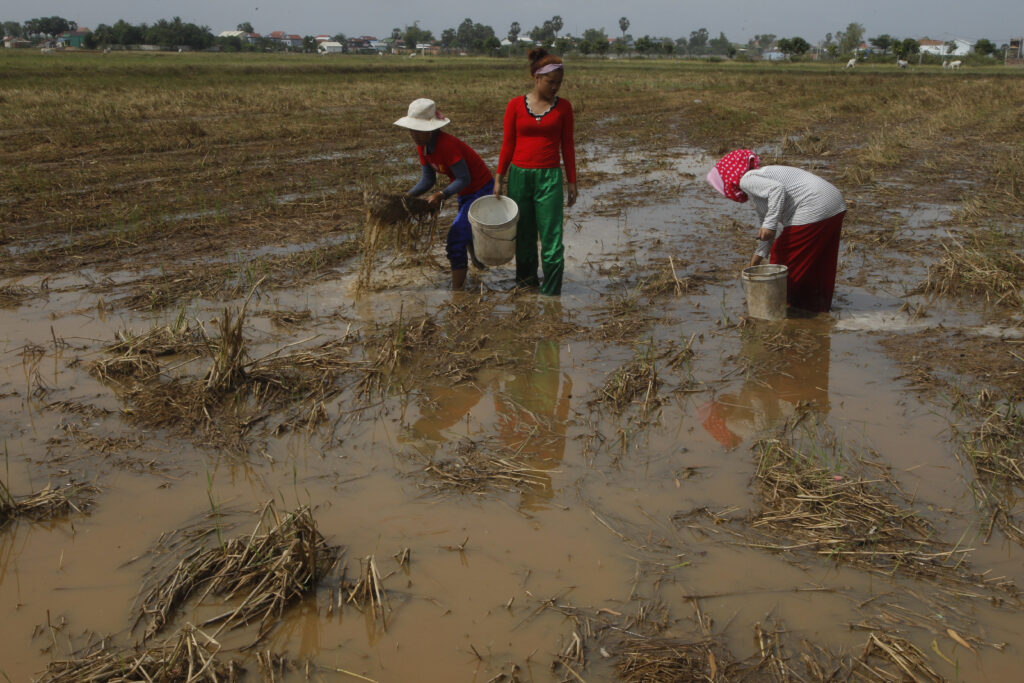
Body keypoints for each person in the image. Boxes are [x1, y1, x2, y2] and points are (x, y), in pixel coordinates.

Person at [707, 149, 847, 313]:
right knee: (818, 262)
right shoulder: (758, 186)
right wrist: (756, 260)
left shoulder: (747, 179)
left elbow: (776, 190)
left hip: (814, 205)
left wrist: (770, 225)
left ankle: (773, 307)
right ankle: (813, 307)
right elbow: (765, 224)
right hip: (834, 203)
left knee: (782, 255)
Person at [494, 48, 578, 296]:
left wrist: (571, 181)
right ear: (536, 78)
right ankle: (526, 285)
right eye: (551, 82)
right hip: (520, 177)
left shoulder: (564, 108)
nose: (556, 88)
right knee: (524, 235)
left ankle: (552, 294)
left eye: (559, 83)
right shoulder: (515, 106)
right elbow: (508, 143)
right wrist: (499, 178)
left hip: (549, 178)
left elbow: (568, 146)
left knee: (552, 237)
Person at [394, 98, 494, 290]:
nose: (413, 134)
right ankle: (478, 265)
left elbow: (464, 178)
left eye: (417, 130)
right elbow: (427, 180)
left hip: (480, 188)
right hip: (465, 191)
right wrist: (407, 197)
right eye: (411, 130)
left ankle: (458, 292)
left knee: (456, 236)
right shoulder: (423, 147)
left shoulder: (447, 145)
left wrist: (442, 193)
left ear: (431, 129)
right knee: (466, 230)